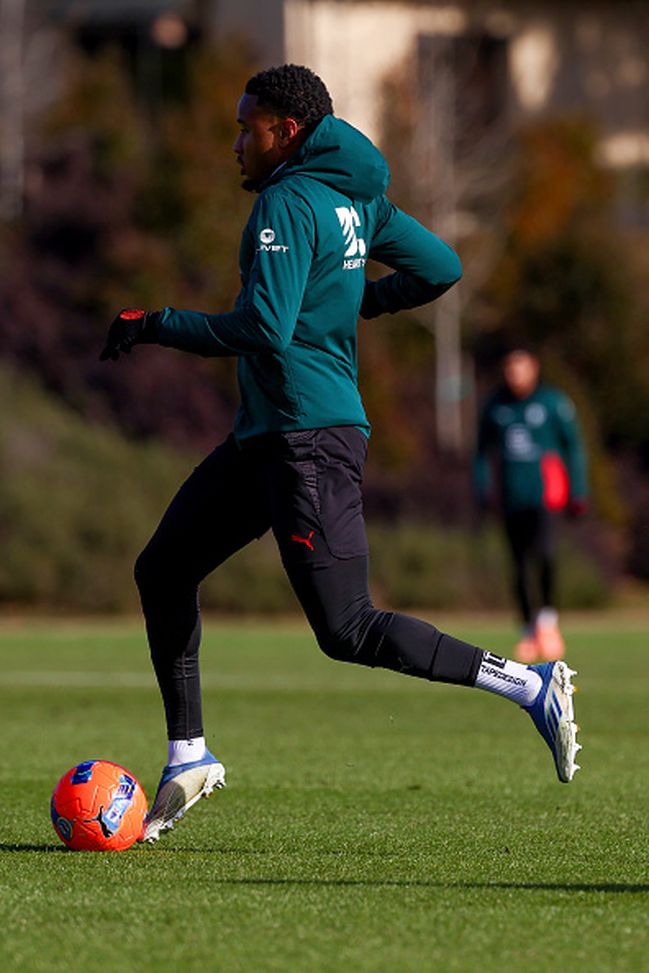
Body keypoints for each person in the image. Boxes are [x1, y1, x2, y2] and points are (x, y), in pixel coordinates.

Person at [100, 65, 581, 843]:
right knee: (162, 568)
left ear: (285, 132)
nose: (235, 144)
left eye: (245, 128)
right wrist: (357, 302)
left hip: (305, 439)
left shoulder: (285, 200)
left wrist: (153, 322)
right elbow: (439, 267)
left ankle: (529, 682)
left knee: (346, 628)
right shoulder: (355, 195)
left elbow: (261, 328)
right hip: (269, 435)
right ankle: (188, 752)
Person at [474, 346, 588, 663]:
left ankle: (548, 622)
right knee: (520, 564)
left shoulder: (553, 403)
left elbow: (574, 447)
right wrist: (483, 489)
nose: (515, 374)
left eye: (521, 367)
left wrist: (578, 490)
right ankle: (527, 631)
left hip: (547, 496)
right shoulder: (495, 406)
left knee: (546, 555)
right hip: (511, 497)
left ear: (534, 368)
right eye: (510, 368)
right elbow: (482, 452)